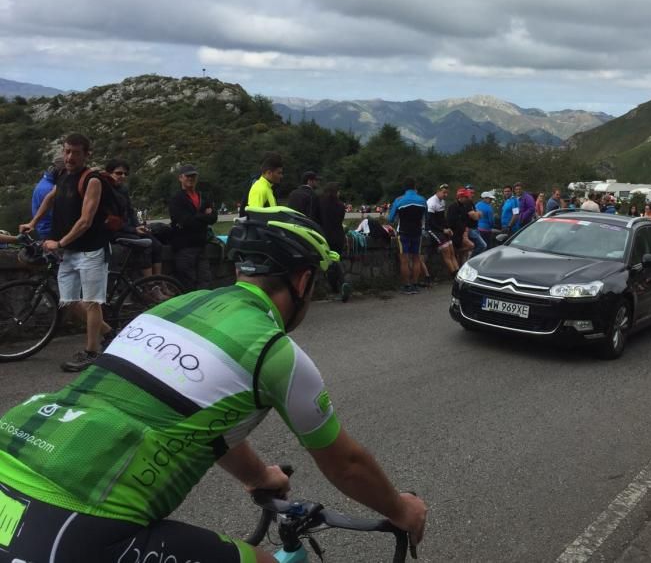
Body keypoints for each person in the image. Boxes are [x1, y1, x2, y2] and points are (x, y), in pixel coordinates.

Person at [0, 206, 427, 562]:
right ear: (302, 281)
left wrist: (259, 474)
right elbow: (346, 464)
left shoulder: (172, 307)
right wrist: (401, 509)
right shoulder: (274, 352)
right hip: (76, 522)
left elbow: (197, 413)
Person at [19, 133, 112, 372]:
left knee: (92, 302)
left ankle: (92, 352)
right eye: (67, 151)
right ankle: (110, 333)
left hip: (91, 251)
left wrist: (59, 243)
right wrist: (33, 222)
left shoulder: (92, 180)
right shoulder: (62, 175)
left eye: (76, 152)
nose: (70, 157)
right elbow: (51, 198)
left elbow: (86, 221)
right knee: (68, 302)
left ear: (86, 154)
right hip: (70, 251)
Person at [105, 158, 164, 278]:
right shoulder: (105, 190)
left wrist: (138, 226)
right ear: (109, 173)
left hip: (128, 228)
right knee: (145, 246)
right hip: (114, 232)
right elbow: (111, 220)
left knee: (157, 245)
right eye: (118, 173)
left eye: (125, 174)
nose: (122, 176)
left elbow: (130, 211)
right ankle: (149, 284)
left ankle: (159, 281)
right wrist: (133, 230)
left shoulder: (123, 189)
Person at [168, 164, 217, 291]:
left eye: (193, 176)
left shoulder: (203, 197)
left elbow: (213, 218)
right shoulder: (176, 199)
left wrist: (196, 217)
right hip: (184, 248)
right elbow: (183, 221)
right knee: (187, 282)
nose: (191, 179)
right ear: (180, 178)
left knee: (205, 280)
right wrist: (203, 216)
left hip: (201, 245)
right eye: (188, 176)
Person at [387, 177, 427, 294]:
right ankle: (415, 284)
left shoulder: (399, 200)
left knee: (404, 260)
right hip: (417, 232)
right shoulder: (422, 200)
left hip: (403, 232)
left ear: (404, 188)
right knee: (416, 258)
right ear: (415, 187)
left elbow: (391, 218)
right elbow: (426, 216)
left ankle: (406, 286)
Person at [426, 183, 459, 274]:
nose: (445, 195)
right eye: (444, 192)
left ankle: (457, 272)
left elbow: (442, 218)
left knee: (452, 252)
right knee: (446, 252)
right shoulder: (431, 202)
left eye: (447, 193)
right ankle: (453, 274)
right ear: (438, 191)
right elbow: (430, 222)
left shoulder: (442, 201)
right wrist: (443, 230)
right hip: (432, 229)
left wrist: (448, 228)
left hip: (441, 229)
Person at [30, 156, 63, 239]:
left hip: (44, 229)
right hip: (50, 232)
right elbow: (60, 214)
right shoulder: (49, 189)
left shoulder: (45, 181)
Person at [446, 187, 476, 265]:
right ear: (461, 197)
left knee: (461, 254)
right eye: (466, 197)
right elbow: (450, 221)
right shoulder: (453, 207)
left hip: (460, 233)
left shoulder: (463, 206)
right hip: (454, 233)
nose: (467, 199)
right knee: (459, 251)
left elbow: (466, 220)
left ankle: (459, 269)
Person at [317, 181, 347, 256]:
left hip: (323, 236)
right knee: (336, 260)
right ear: (336, 192)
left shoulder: (319, 202)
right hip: (337, 237)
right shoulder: (341, 205)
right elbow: (340, 220)